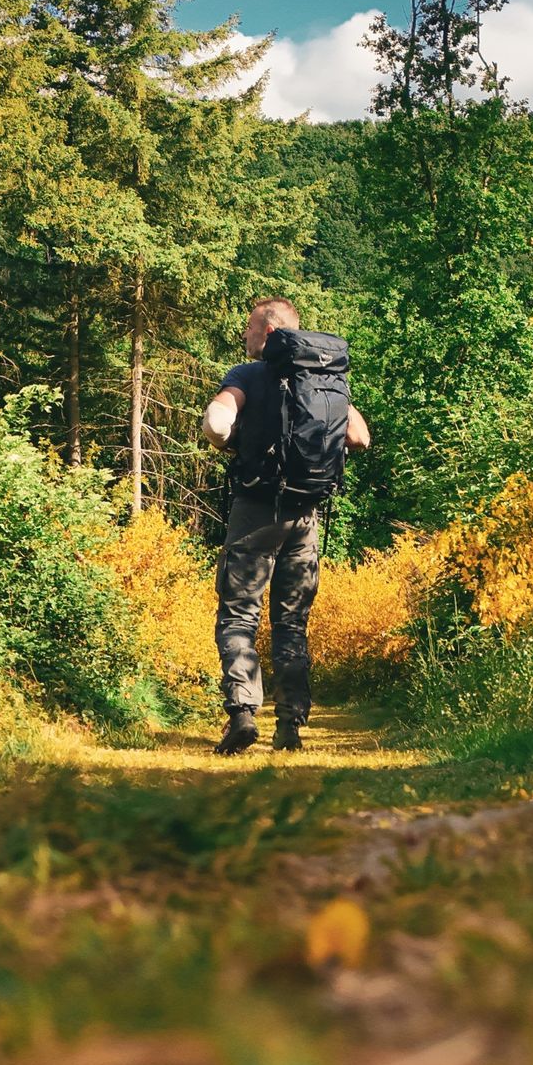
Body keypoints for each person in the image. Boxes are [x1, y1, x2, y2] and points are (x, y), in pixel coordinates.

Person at [202, 297, 370, 755]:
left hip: (255, 511)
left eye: (250, 327)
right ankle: (290, 726)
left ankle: (241, 711)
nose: (245, 335)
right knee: (291, 623)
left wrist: (231, 442)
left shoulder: (246, 375)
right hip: (304, 515)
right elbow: (360, 437)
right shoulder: (324, 381)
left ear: (269, 332)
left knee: (239, 613)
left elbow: (217, 423)